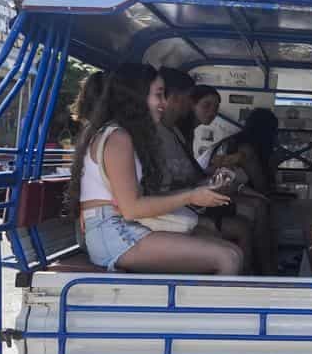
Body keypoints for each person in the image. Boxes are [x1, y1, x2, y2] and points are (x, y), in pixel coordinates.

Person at [66, 63, 242, 274]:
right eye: (159, 95)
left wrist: (199, 191)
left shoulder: (121, 134)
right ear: (137, 96)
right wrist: (191, 196)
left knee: (228, 248)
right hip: (113, 234)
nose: (164, 103)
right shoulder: (118, 138)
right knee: (227, 258)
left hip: (122, 227)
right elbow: (132, 209)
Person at [156, 67, 254, 270]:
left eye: (215, 108)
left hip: (185, 207)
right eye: (205, 105)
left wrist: (211, 183)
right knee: (238, 234)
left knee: (248, 217)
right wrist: (198, 190)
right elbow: (139, 201)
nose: (212, 112)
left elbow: (188, 174)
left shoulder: (177, 133)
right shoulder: (151, 135)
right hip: (173, 211)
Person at [209, 107, 279, 273]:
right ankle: (265, 266)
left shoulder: (232, 142)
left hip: (222, 194)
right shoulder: (247, 151)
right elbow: (261, 186)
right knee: (262, 206)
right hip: (224, 196)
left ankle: (263, 265)